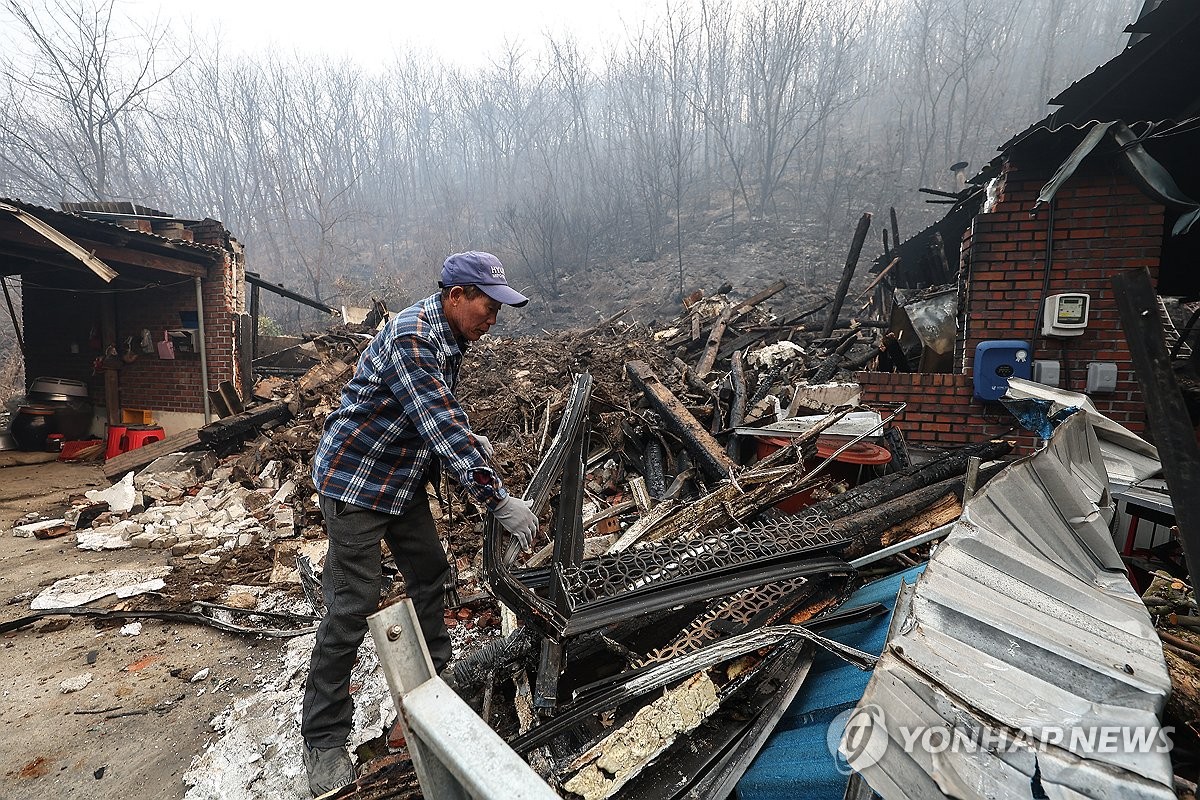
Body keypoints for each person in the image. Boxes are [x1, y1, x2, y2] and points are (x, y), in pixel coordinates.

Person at [300, 251, 539, 797]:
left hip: (399, 478)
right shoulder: (414, 336)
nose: (493, 319)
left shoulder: (451, 336)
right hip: (356, 482)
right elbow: (438, 422)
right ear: (457, 295)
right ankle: (323, 738)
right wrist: (496, 499)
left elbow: (436, 413)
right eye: (488, 306)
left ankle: (438, 682)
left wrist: (466, 440)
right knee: (352, 604)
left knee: (431, 571)